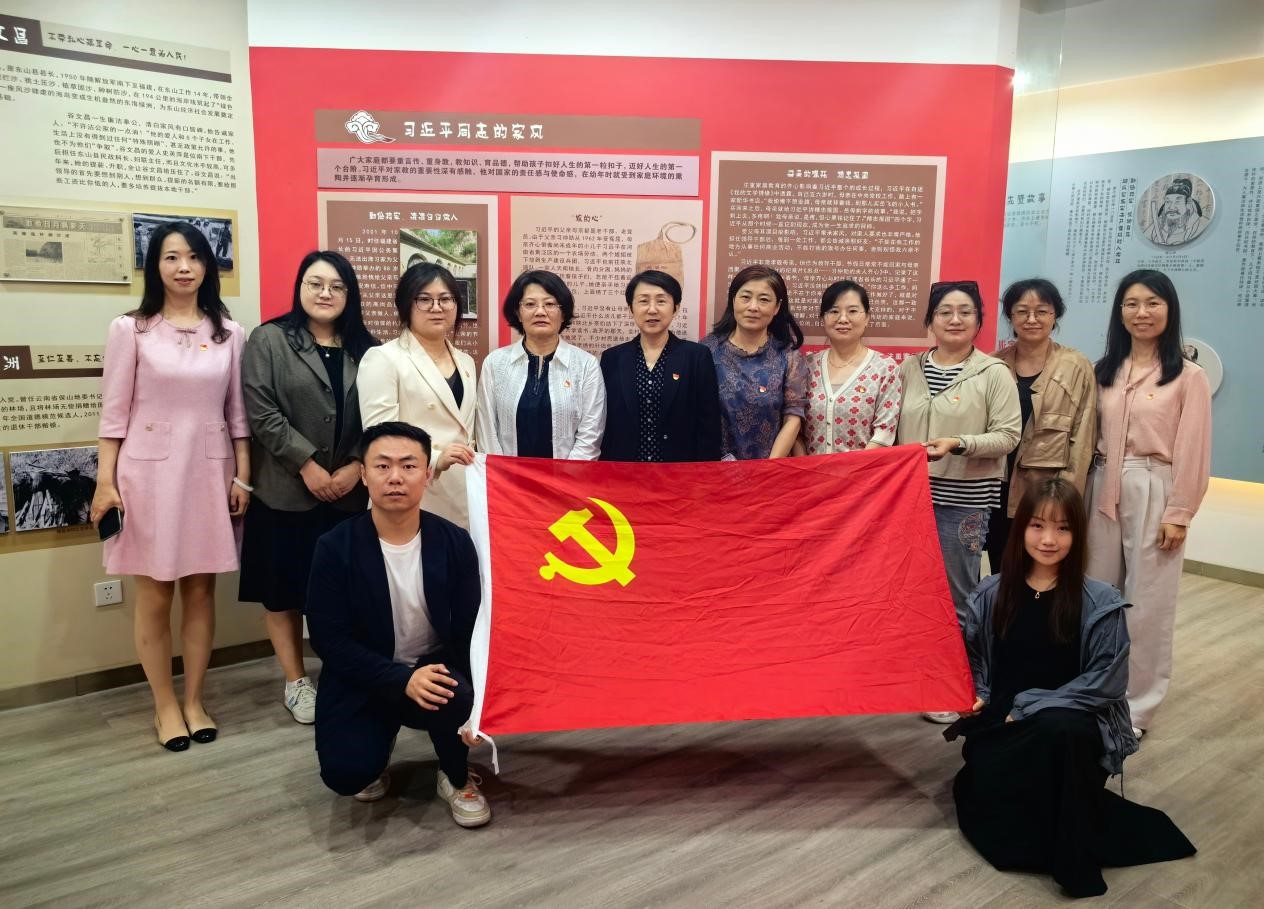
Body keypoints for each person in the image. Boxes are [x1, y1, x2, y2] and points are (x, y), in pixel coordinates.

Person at [946, 478, 1195, 898]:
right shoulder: (992, 592)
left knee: (1062, 731)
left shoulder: (1100, 600)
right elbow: (973, 660)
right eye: (1038, 526)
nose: (1049, 539)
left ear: (1078, 535)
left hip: (1071, 725)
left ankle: (1071, 859)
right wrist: (978, 694)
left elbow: (1107, 681)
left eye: (1063, 528)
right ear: (1021, 528)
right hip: (1004, 726)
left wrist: (1029, 707)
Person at [90, 221, 250, 751]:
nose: (184, 267)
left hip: (209, 471)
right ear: (154, 266)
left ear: (208, 266)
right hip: (148, 475)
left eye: (194, 257)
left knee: (201, 592)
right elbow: (113, 415)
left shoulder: (229, 332)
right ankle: (164, 705)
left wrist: (243, 477)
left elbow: (238, 416)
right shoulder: (130, 329)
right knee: (156, 594)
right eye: (171, 257)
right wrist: (105, 482)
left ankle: (195, 699)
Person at [306, 421, 490, 827]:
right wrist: (399, 678)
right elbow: (329, 640)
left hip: (433, 669)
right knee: (347, 774)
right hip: (365, 673)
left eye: (408, 466)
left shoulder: (454, 542)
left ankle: (455, 775)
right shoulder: (335, 547)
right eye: (382, 466)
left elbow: (470, 630)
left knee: (456, 692)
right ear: (364, 474)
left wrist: (478, 707)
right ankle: (378, 740)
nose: (395, 477)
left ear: (427, 474)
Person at [239, 251, 379, 724]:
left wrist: (357, 463)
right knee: (283, 591)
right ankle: (296, 681)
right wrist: (307, 465)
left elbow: (380, 414)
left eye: (337, 286)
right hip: (285, 491)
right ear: (299, 287)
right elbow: (261, 412)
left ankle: (343, 672)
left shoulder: (368, 349)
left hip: (349, 494)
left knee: (344, 592)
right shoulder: (270, 339)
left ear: (349, 294)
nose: (325, 293)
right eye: (315, 283)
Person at [1087, 269, 1211, 737]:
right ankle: (1094, 690)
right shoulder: (1104, 370)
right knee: (1096, 595)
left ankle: (1136, 707)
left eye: (1153, 302)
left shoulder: (1189, 376)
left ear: (1169, 309)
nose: (1142, 312)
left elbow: (1193, 449)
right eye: (1132, 303)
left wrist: (1179, 512)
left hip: (1153, 487)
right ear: (1119, 312)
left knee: (1148, 603)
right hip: (1101, 483)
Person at [896, 280, 1020, 722]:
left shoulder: (993, 373)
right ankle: (923, 677)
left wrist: (959, 443)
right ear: (930, 320)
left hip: (963, 501)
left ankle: (961, 687)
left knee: (958, 596)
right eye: (944, 311)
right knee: (914, 594)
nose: (954, 319)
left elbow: (1008, 435)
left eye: (965, 311)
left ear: (979, 321)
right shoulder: (909, 369)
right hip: (909, 500)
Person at [986, 279, 1096, 573]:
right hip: (995, 489)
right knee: (1001, 566)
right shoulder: (993, 364)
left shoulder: (1076, 365)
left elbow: (1083, 437)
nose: (1031, 319)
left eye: (1042, 311)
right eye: (1022, 311)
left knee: (1042, 571)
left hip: (1046, 491)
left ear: (1055, 314)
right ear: (1011, 316)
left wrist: (1067, 497)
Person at [358, 263, 478, 526]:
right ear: (406, 305)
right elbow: (379, 435)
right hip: (410, 491)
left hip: (463, 493)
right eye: (424, 299)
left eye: (445, 299)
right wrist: (435, 459)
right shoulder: (383, 358)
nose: (437, 308)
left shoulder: (466, 362)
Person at [477, 270, 606, 459]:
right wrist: (502, 473)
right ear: (518, 313)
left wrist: (565, 475)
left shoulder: (586, 365)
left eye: (550, 304)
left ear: (563, 313)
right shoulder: (495, 363)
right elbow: (486, 430)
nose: (540, 312)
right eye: (530, 304)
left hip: (567, 475)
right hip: (505, 475)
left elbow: (590, 436)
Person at [599, 270, 721, 462]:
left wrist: (703, 473)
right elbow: (606, 424)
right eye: (643, 301)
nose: (652, 309)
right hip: (625, 470)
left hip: (679, 471)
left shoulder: (696, 357)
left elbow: (709, 425)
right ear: (631, 308)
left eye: (661, 301)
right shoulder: (612, 358)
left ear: (676, 308)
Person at [701, 265, 810, 459]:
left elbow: (793, 418)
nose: (753, 307)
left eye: (764, 300)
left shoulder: (788, 356)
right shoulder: (707, 351)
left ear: (777, 307)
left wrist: (768, 467)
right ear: (733, 300)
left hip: (771, 468)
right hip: (714, 467)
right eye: (745, 297)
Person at [794, 280, 901, 454]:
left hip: (864, 469)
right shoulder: (806, 366)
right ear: (822, 318)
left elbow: (884, 432)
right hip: (810, 470)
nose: (843, 319)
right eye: (834, 311)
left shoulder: (885, 368)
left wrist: (853, 468)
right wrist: (806, 466)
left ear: (867, 318)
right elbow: (794, 426)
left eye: (852, 311)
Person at [1143, 177, 1211, 246]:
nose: (1171, 207)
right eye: (1168, 202)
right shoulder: (1158, 224)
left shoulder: (1200, 223)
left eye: (1177, 202)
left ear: (1188, 203)